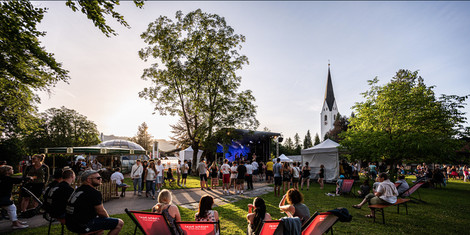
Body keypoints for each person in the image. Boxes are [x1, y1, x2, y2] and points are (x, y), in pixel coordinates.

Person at [66, 170, 124, 234]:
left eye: (100, 177)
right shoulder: (93, 192)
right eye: (98, 178)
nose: (100, 179)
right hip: (83, 225)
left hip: (70, 224)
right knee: (119, 223)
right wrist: (108, 220)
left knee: (100, 229)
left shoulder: (77, 190)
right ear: (88, 180)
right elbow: (101, 212)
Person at [0, 165, 29, 229]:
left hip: (3, 197)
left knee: (12, 208)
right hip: (3, 198)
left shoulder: (3, 178)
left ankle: (16, 222)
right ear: (7, 172)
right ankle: (16, 224)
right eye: (11, 169)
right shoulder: (7, 179)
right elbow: (18, 180)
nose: (12, 171)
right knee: (11, 208)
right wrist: (28, 178)